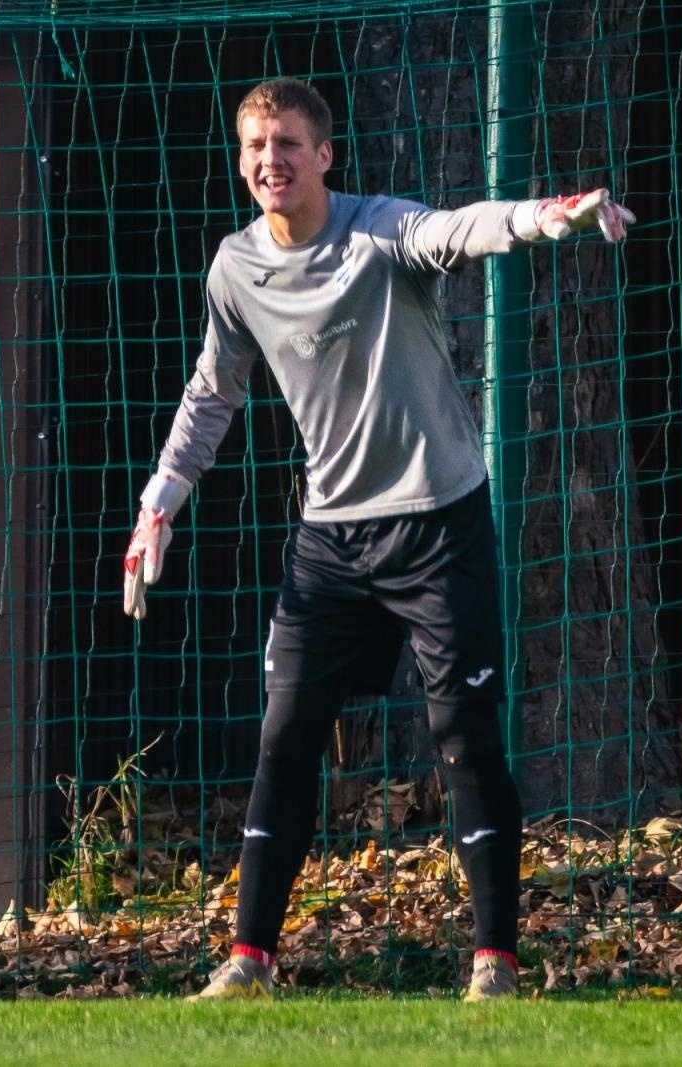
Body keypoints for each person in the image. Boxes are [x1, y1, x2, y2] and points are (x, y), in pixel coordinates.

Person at [121, 77, 634, 1002]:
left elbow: (458, 228)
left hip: (440, 525)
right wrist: (161, 497)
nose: (269, 161)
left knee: (464, 738)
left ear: (324, 156)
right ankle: (248, 963)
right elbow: (212, 393)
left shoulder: (378, 230)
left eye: (287, 144)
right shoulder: (235, 269)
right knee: (285, 736)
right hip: (331, 546)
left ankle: (494, 965)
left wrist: (542, 219)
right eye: (254, 147)